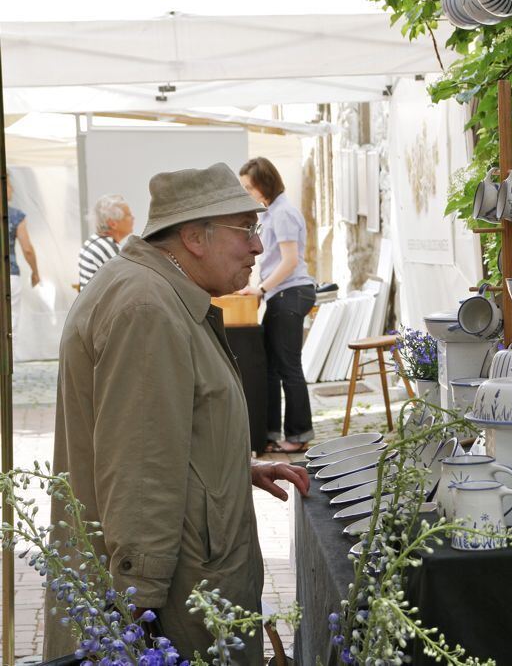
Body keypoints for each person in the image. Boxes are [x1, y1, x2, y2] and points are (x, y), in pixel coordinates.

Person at [45, 163, 311, 663]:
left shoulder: (157, 291)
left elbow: (161, 431)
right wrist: (137, 616)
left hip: (186, 575)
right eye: (246, 230)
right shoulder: (147, 307)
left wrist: (233, 467)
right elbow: (139, 473)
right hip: (171, 603)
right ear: (193, 237)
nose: (258, 246)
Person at [238, 157, 316, 454]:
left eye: (249, 186)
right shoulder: (272, 213)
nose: (247, 191)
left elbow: (290, 261)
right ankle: (270, 432)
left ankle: (298, 436)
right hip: (280, 293)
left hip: (289, 293)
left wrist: (260, 289)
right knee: (271, 367)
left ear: (264, 183)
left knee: (287, 367)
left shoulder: (282, 213)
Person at [5, 173, 41, 338]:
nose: (12, 189)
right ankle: (8, 361)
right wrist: (35, 272)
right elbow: (27, 249)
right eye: (10, 185)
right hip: (9, 274)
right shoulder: (15, 216)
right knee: (11, 322)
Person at [78, 193, 135, 288]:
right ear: (112, 223)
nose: (133, 217)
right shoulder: (110, 249)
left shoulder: (92, 241)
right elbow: (127, 286)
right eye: (128, 215)